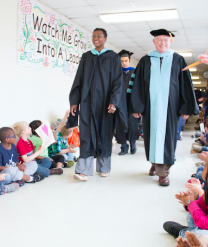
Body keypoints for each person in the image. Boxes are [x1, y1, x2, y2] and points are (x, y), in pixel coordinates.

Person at [130, 29, 199, 186]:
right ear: (154, 42)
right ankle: (155, 163)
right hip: (150, 108)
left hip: (171, 108)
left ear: (170, 42)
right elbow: (138, 85)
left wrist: (186, 108)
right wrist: (137, 106)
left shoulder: (178, 60)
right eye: (159, 40)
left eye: (166, 40)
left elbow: (185, 85)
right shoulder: (145, 60)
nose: (163, 43)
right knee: (151, 137)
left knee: (167, 138)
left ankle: (163, 172)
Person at [68, 28, 128, 181]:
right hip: (87, 102)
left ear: (105, 38)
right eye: (94, 36)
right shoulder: (87, 57)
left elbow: (117, 81)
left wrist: (114, 101)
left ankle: (103, 167)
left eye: (99, 36)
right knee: (86, 134)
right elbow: (79, 79)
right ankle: (83, 170)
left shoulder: (113, 57)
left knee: (105, 133)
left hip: (105, 103)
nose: (96, 39)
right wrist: (75, 101)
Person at [163, 158, 208, 241]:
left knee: (204, 236)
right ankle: (190, 232)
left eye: (204, 168)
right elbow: (201, 206)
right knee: (191, 214)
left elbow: (206, 224)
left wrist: (192, 203)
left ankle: (183, 234)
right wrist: (189, 202)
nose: (203, 169)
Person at [116, 49, 139, 155]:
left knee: (132, 125)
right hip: (120, 104)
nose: (124, 63)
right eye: (122, 61)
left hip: (131, 104)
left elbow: (139, 89)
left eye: (126, 60)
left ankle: (133, 144)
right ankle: (124, 147)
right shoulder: (117, 73)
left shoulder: (135, 72)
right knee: (120, 125)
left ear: (129, 60)